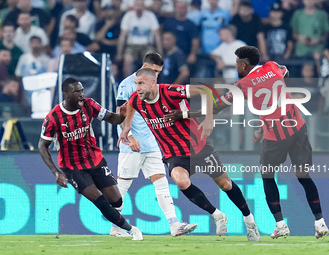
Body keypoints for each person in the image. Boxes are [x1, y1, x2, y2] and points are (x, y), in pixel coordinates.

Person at [167, 46, 329, 239]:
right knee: (303, 176)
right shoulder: (272, 66)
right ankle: (320, 223)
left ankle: (280, 225)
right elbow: (286, 71)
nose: (236, 66)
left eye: (237, 63)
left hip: (275, 137)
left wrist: (185, 114)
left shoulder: (243, 85)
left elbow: (216, 107)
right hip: (297, 128)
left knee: (268, 177)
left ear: (243, 64)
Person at [118, 67, 261, 241]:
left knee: (225, 185)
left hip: (198, 147)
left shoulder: (170, 92)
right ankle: (217, 215)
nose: (137, 88)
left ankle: (249, 220)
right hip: (174, 153)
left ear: (153, 82)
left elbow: (206, 90)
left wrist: (208, 117)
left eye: (141, 83)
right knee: (180, 180)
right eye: (135, 84)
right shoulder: (136, 99)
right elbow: (130, 108)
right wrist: (127, 128)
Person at [38, 77, 143, 241]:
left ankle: (117, 227)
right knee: (99, 199)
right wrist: (55, 172)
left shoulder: (89, 104)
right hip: (72, 167)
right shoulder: (53, 118)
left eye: (82, 91)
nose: (81, 95)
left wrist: (121, 115)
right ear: (66, 94)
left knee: (116, 200)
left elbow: (112, 119)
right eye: (76, 92)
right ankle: (132, 230)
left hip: (95, 160)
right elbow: (42, 146)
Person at [111, 52, 198, 237]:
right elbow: (120, 112)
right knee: (123, 185)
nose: (156, 76)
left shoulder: (155, 86)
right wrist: (131, 136)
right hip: (131, 144)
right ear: (144, 66)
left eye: (158, 72)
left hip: (152, 143)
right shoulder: (127, 84)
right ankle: (116, 226)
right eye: (154, 71)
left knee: (161, 183)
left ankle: (174, 224)